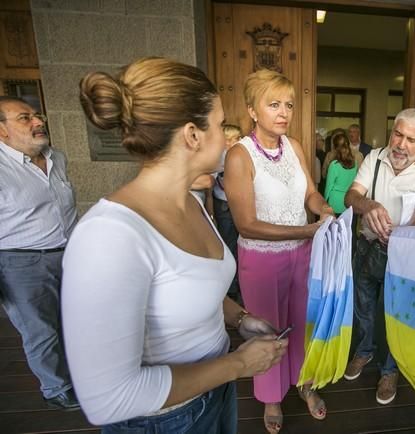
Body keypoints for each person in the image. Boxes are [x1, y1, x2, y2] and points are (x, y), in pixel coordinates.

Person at [62, 57, 287, 432]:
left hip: (215, 394)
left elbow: (191, 285)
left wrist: (240, 319)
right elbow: (108, 399)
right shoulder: (109, 237)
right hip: (163, 421)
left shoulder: (192, 203)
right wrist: (239, 365)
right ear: (192, 135)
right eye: (218, 125)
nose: (227, 136)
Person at [224, 68, 334, 433]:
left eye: (288, 104)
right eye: (273, 104)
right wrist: (306, 229)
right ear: (253, 110)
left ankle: (305, 382)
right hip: (261, 260)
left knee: (302, 322)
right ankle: (271, 396)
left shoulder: (295, 146)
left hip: (302, 255)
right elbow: (246, 224)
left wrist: (323, 208)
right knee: (270, 331)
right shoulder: (240, 155)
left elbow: (310, 193)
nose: (284, 111)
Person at [343, 108, 415, 405]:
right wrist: (369, 204)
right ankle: (363, 351)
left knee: (396, 315)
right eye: (397, 134)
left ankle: (390, 369)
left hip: (405, 255)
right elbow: (350, 196)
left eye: (411, 139)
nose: (401, 145)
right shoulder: (375, 157)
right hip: (366, 247)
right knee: (362, 306)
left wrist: (396, 235)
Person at [0, 96, 79, 411]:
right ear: (2, 131)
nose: (38, 122)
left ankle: (78, 375)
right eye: (24, 118)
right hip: (21, 263)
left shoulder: (56, 157)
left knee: (72, 321)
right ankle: (56, 389)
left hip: (69, 255)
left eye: (36, 115)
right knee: (40, 330)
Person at [213, 123, 243, 303]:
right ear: (229, 140)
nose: (240, 140)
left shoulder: (223, 156)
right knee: (232, 246)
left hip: (225, 204)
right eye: (237, 138)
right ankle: (232, 290)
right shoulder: (226, 157)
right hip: (226, 205)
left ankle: (233, 288)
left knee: (231, 245)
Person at [324, 132, 358, 215]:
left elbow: (329, 187)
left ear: (335, 147)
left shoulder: (334, 165)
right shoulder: (355, 163)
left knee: (334, 228)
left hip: (335, 203)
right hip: (348, 202)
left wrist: (324, 202)